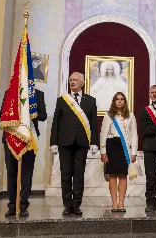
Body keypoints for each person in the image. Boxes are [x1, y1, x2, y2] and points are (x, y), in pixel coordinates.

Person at [50, 72, 98, 216]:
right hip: (64, 143)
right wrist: (53, 143)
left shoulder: (90, 100)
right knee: (65, 175)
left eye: (75, 80)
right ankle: (67, 205)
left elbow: (94, 123)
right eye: (70, 80)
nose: (72, 82)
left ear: (82, 82)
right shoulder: (62, 100)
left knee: (79, 175)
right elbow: (55, 123)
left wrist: (94, 142)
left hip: (82, 143)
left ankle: (76, 204)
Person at [2, 88, 47, 217]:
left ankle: (23, 205)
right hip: (11, 137)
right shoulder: (9, 92)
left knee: (26, 173)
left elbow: (43, 116)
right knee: (11, 172)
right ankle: (12, 205)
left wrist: (31, 113)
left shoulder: (38, 93)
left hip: (28, 138)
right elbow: (2, 114)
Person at [100, 92, 138, 212]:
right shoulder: (108, 115)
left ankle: (121, 203)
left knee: (123, 175)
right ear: (114, 101)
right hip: (112, 146)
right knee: (112, 175)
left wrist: (134, 152)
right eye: (117, 99)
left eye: (122, 99)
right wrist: (103, 150)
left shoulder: (130, 115)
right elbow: (103, 134)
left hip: (124, 147)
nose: (120, 101)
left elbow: (133, 133)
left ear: (125, 101)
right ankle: (114, 203)